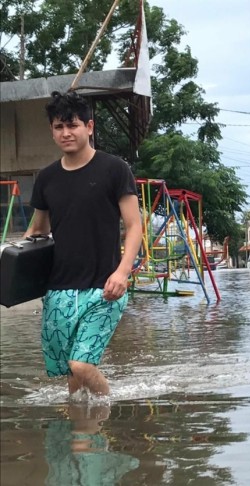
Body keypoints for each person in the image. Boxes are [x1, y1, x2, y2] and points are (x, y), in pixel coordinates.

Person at [25, 90, 142, 398]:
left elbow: (134, 226)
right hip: (59, 289)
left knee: (80, 365)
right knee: (71, 375)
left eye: (73, 125)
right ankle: (81, 433)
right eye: (59, 127)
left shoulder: (115, 169)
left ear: (89, 127)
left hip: (105, 287)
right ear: (52, 130)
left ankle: (105, 411)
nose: (66, 133)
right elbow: (38, 229)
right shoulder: (47, 179)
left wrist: (123, 272)